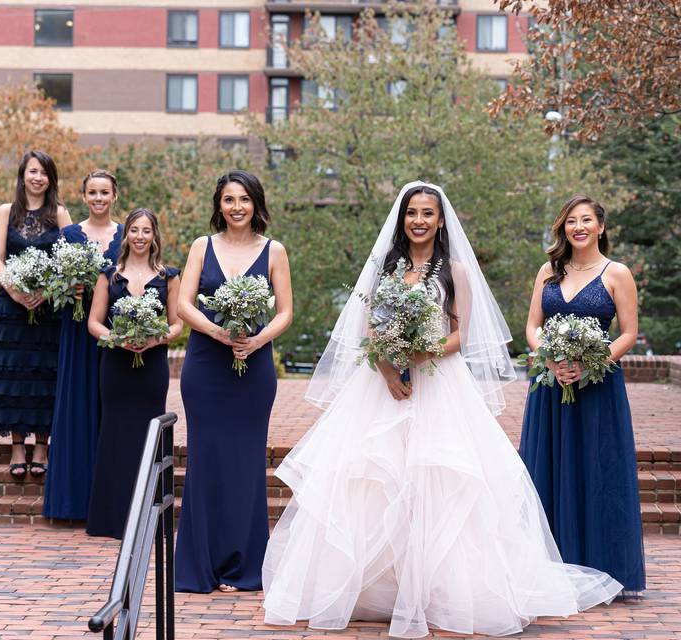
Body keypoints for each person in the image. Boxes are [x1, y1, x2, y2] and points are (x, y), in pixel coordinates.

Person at [263, 182, 621, 639]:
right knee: (375, 479)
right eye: (412, 213)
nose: (419, 221)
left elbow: (459, 338)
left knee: (440, 482)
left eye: (427, 213)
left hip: (439, 386)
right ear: (402, 219)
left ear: (440, 220)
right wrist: (390, 369)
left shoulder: (454, 270)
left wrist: (419, 354)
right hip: (382, 387)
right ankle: (379, 588)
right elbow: (369, 330)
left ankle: (436, 589)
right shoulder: (384, 269)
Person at [519, 195, 646, 595]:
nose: (579, 227)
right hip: (550, 388)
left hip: (598, 389)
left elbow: (628, 332)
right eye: (571, 220)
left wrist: (592, 363)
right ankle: (547, 568)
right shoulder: (548, 271)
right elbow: (532, 327)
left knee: (597, 471)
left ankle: (601, 567)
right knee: (549, 469)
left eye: (586, 220)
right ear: (563, 228)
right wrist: (551, 360)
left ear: (601, 227)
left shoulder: (617, 273)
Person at [174, 171, 293, 592]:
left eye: (244, 199)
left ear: (255, 203)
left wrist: (257, 340)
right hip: (207, 365)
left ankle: (243, 566)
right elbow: (183, 304)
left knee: (246, 463)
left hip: (254, 368)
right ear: (218, 205)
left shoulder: (274, 250)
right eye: (229, 200)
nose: (237, 207)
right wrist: (218, 332)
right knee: (206, 460)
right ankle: (201, 565)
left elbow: (285, 312)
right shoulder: (201, 247)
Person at [85, 208, 182, 538]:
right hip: (116, 367)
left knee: (148, 436)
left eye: (147, 231)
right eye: (134, 230)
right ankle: (111, 519)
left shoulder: (169, 276)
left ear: (155, 236)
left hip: (151, 368)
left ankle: (150, 519)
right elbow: (94, 323)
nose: (140, 236)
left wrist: (154, 339)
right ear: (125, 235)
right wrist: (119, 340)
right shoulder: (109, 275)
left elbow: (178, 324)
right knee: (115, 435)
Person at [0, 150, 72, 477]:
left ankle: (42, 447)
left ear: (51, 179)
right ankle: (17, 446)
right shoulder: (6, 212)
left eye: (44, 173)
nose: (37, 178)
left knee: (44, 375)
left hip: (49, 309)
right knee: (14, 374)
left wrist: (45, 291)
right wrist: (16, 291)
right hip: (11, 308)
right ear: (23, 175)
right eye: (32, 171)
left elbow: (72, 260)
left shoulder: (60, 214)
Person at [44, 170, 123, 520]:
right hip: (77, 330)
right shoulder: (68, 235)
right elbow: (52, 287)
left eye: (105, 192)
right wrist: (69, 289)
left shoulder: (127, 235)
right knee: (78, 408)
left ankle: (107, 500)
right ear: (83, 196)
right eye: (92, 192)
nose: (99, 198)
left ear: (115, 196)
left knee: (111, 410)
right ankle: (72, 502)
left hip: (114, 332)